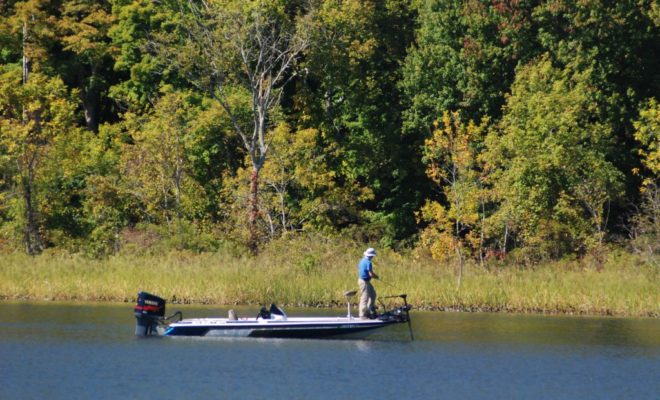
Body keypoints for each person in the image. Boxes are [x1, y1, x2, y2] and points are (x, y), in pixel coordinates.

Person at [357, 247, 379, 319]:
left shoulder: (362, 260)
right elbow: (371, 274)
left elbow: (359, 268)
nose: (372, 257)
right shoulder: (368, 262)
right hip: (363, 282)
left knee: (373, 295)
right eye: (372, 256)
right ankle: (362, 315)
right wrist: (376, 277)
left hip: (365, 281)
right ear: (371, 256)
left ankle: (369, 311)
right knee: (364, 298)